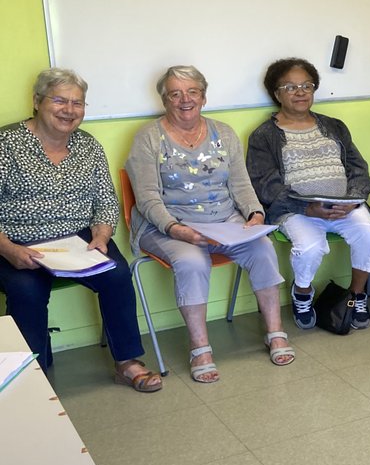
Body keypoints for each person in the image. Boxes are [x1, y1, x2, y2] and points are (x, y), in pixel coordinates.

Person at [126, 65, 293, 383]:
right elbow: (147, 199)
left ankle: (275, 332)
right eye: (175, 93)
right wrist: (177, 229)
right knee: (191, 261)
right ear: (164, 100)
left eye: (192, 92)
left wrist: (255, 214)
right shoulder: (148, 138)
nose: (184, 99)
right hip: (166, 225)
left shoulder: (223, 132)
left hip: (223, 221)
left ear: (203, 96)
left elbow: (241, 184)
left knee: (262, 247)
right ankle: (200, 348)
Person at [0, 69, 161, 391]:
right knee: (26, 292)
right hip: (17, 241)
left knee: (116, 275)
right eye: (59, 100)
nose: (69, 110)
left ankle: (127, 362)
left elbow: (105, 199)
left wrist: (102, 235)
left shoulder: (87, 145)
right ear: (37, 102)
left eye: (78, 103)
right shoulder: (6, 143)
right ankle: (33, 379)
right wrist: (8, 249)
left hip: (79, 239)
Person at [247, 58, 370, 331]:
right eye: (291, 87)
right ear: (277, 94)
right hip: (297, 210)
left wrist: (354, 199)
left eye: (306, 85)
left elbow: (358, 168)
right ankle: (303, 293)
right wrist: (307, 208)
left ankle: (357, 296)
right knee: (310, 247)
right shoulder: (264, 136)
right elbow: (265, 184)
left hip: (344, 207)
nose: (300, 92)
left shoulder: (334, 126)